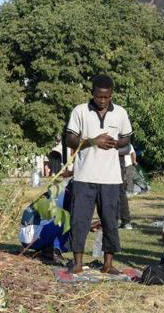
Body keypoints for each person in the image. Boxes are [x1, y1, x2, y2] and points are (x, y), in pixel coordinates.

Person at [65, 74, 133, 274]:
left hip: (111, 178)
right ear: (92, 93)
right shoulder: (80, 111)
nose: (102, 101)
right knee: (80, 220)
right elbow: (70, 139)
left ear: (111, 95)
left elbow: (126, 139)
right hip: (84, 177)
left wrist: (113, 143)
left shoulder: (120, 113)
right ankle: (77, 262)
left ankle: (108, 264)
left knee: (110, 220)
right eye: (99, 97)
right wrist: (93, 141)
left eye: (107, 97)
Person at [19, 184, 72, 264]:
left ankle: (47, 250)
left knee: (65, 221)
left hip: (26, 235)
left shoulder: (58, 192)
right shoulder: (67, 196)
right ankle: (55, 250)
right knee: (69, 222)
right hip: (33, 237)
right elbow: (76, 222)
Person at [118, 143, 137, 230]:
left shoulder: (127, 144)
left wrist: (134, 161)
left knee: (122, 188)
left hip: (125, 165)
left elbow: (132, 152)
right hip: (119, 165)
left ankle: (126, 221)